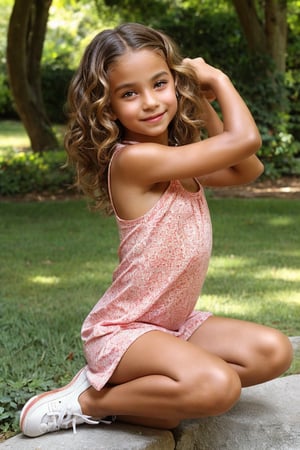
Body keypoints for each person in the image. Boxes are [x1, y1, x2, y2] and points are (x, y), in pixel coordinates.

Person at [20, 22, 293, 437]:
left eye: (160, 83)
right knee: (218, 387)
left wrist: (201, 100)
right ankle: (88, 399)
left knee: (273, 352)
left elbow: (246, 169)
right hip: (125, 331)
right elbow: (246, 141)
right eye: (129, 93)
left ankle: (155, 390)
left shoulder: (176, 157)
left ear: (175, 84)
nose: (150, 102)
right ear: (107, 106)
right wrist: (218, 80)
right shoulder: (135, 161)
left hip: (173, 325)